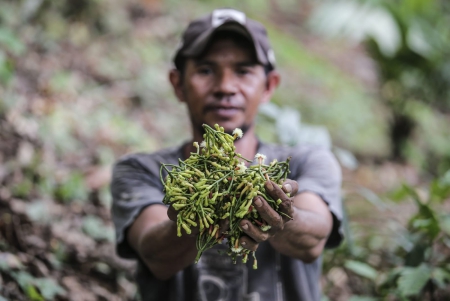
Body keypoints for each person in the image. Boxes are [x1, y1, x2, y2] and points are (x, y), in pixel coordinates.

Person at [111, 8, 343, 301]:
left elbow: (314, 238)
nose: (225, 87)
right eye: (206, 70)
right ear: (178, 83)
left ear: (269, 86)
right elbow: (155, 254)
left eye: (243, 71)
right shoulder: (140, 170)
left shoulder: (307, 163)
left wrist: (280, 214)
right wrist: (202, 206)